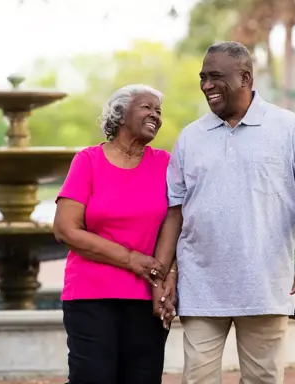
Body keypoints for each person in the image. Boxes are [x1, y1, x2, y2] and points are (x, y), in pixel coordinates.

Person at [153, 41, 295, 384]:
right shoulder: (191, 137)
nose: (206, 85)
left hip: (264, 287)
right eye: (203, 77)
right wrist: (168, 273)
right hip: (201, 289)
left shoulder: (287, 127)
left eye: (216, 77)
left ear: (245, 77)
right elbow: (175, 213)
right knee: (197, 380)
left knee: (263, 381)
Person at [53, 84, 176, 384]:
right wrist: (130, 259)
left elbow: (174, 222)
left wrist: (164, 278)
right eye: (146, 107)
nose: (155, 115)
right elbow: (65, 229)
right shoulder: (88, 161)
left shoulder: (165, 163)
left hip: (147, 298)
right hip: (90, 295)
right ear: (120, 114)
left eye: (158, 111)